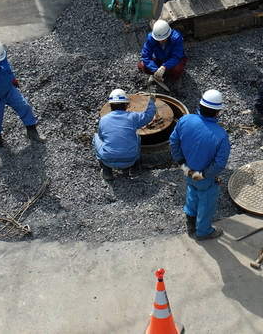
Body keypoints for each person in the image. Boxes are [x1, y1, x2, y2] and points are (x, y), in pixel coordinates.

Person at [169, 89, 230, 241]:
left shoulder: (185, 120)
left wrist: (182, 163)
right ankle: (204, 232)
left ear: (200, 105)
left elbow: (173, 141)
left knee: (192, 193)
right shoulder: (221, 135)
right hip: (205, 178)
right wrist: (203, 174)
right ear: (217, 112)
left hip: (187, 171)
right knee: (207, 202)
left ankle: (190, 223)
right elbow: (219, 163)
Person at [93, 89, 156, 181]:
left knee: (96, 137)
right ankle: (134, 168)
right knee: (137, 137)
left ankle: (107, 171)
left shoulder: (104, 119)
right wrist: (151, 101)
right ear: (126, 105)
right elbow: (149, 115)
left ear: (110, 105)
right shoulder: (133, 117)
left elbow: (102, 137)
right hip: (130, 160)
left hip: (108, 160)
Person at [138, 20, 187, 85]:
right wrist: (154, 69)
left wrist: (164, 67)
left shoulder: (176, 37)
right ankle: (156, 75)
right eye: (158, 39)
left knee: (177, 69)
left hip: (172, 61)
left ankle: (173, 78)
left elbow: (177, 57)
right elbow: (145, 56)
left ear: (168, 35)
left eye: (163, 39)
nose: (160, 41)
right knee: (141, 65)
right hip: (158, 58)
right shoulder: (151, 37)